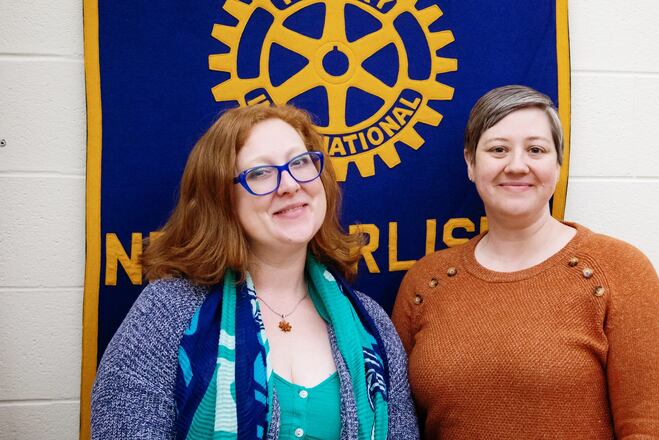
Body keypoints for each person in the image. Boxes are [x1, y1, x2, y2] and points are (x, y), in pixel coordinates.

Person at [91, 104, 418, 439]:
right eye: (260, 173)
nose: (290, 185)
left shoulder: (369, 323)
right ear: (222, 198)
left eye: (300, 162)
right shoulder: (167, 311)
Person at [392, 85, 659, 439]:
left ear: (558, 165)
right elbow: (398, 424)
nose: (517, 166)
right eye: (498, 149)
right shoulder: (426, 282)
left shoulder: (618, 270)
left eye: (536, 149)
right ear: (471, 163)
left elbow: (654, 429)